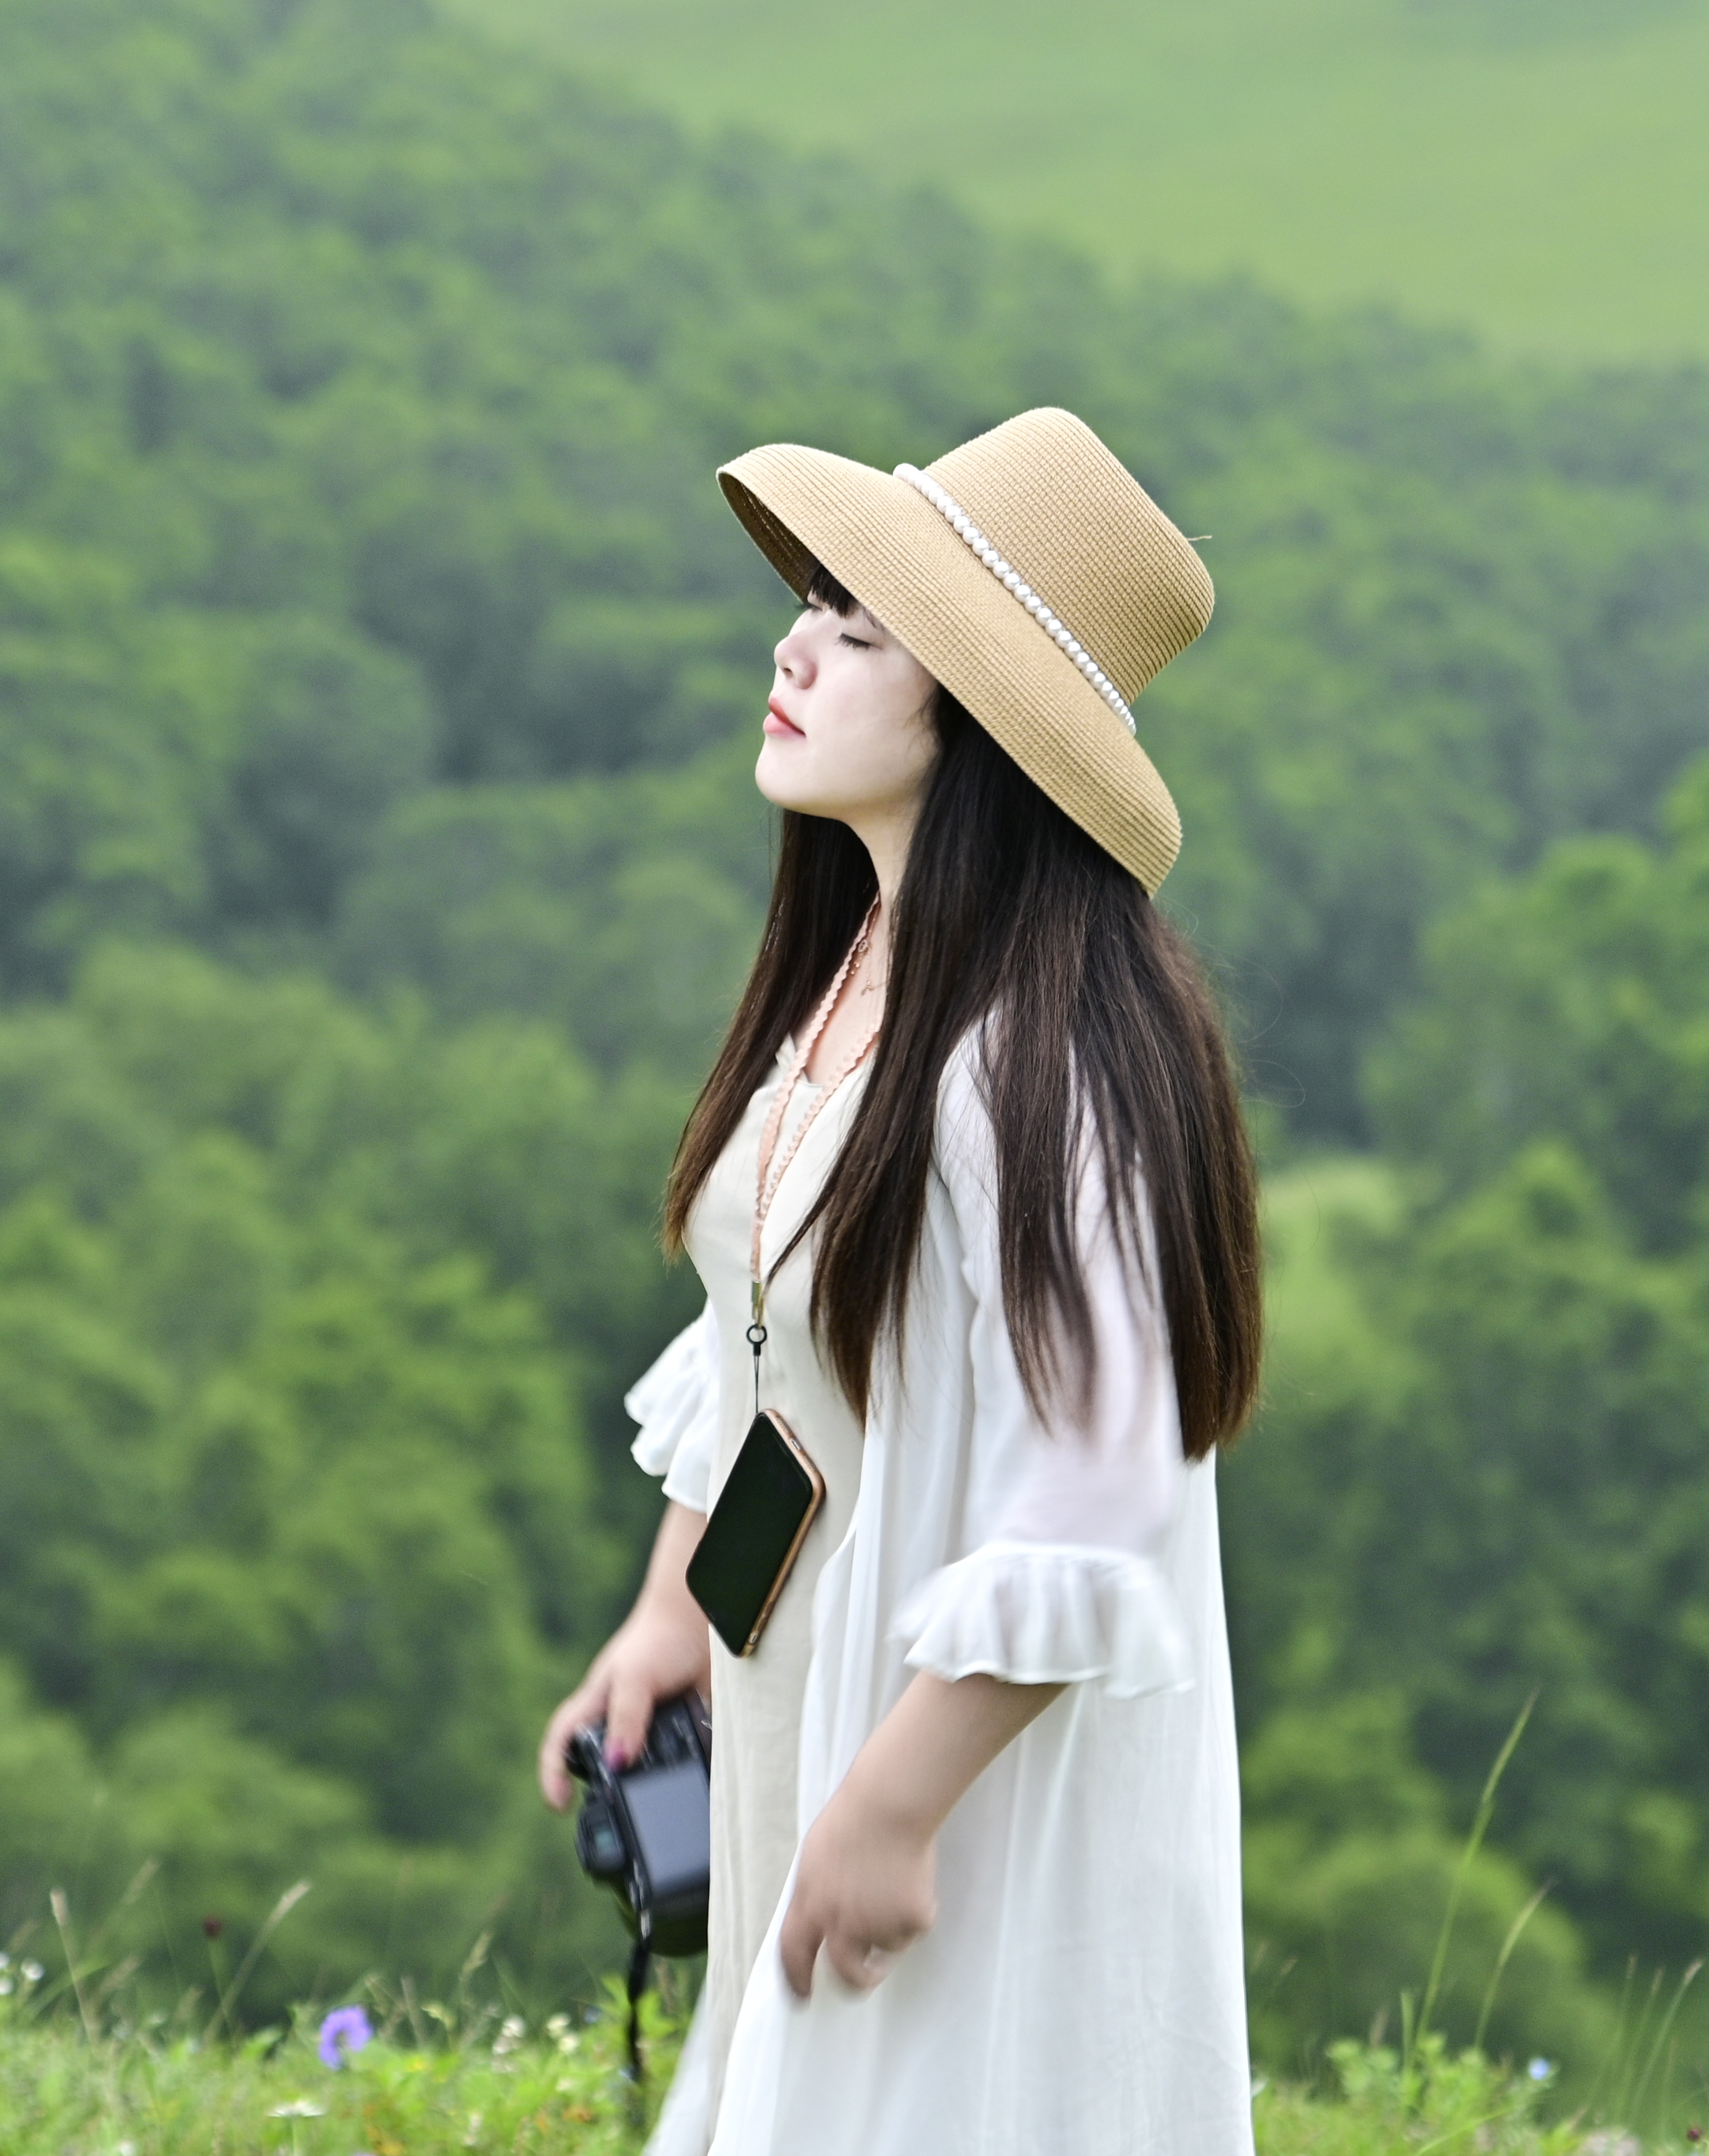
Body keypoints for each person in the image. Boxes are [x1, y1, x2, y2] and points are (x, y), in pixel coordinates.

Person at [536, 410, 1264, 2154]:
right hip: (814, 1701)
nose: (793, 647)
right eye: (811, 605)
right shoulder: (866, 970)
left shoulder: (1049, 1065)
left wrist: (894, 1807)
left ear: (986, 723)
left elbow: (1102, 1495)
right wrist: (671, 1619)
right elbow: (771, 1350)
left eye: (860, 629)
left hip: (955, 1772)